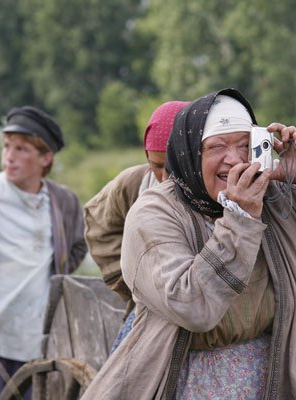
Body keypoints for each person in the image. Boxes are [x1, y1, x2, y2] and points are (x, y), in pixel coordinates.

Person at [81, 88, 296, 400]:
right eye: (217, 147)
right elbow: (193, 306)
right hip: (185, 376)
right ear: (191, 153)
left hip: (281, 369)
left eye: (244, 145)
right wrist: (240, 219)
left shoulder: (275, 196)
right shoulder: (155, 212)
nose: (233, 159)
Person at [0, 106, 87, 400]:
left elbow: (78, 246)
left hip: (33, 339)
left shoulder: (62, 201)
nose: (9, 156)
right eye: (6, 146)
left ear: (45, 158)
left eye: (22, 149)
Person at [83, 100, 189, 347]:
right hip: (148, 311)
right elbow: (99, 224)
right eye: (156, 166)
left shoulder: (212, 189)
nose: (163, 177)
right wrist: (132, 281)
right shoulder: (133, 184)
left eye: (171, 166)